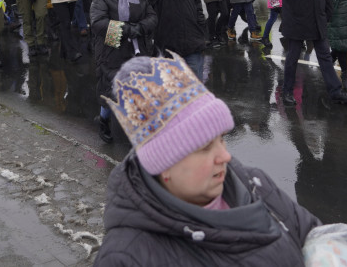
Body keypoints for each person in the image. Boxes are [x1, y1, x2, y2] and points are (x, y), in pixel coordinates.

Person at [95, 53, 321, 265]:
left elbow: (315, 238)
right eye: (204, 148)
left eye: (221, 139)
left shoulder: (256, 184)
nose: (225, 156)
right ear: (163, 165)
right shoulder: (128, 258)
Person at [89, 0, 158, 144]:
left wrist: (139, 28)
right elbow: (97, 22)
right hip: (111, 51)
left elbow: (152, 16)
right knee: (111, 91)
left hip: (136, 51)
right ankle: (103, 120)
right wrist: (127, 29)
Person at [143, 0, 208, 80]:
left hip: (192, 42)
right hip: (167, 45)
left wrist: (200, 23)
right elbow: (144, 4)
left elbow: (197, 2)